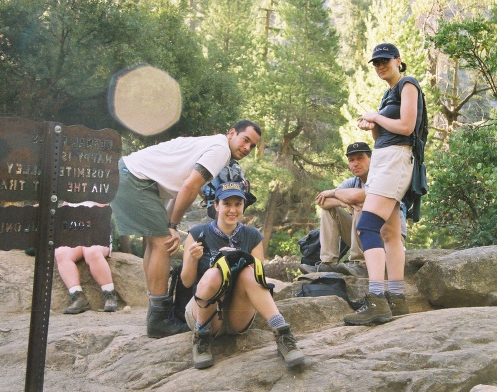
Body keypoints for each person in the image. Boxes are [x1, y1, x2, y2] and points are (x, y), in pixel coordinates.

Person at [110, 120, 261, 338]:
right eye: (245, 140)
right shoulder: (219, 150)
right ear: (231, 133)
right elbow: (191, 186)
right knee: (163, 243)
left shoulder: (214, 145)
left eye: (253, 146)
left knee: (155, 244)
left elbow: (183, 189)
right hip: (135, 179)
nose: (247, 148)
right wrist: (172, 226)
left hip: (132, 175)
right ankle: (159, 318)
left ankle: (157, 312)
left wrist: (172, 223)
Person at [181, 182, 305, 369]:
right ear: (216, 206)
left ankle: (282, 333)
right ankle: (201, 339)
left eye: (238, 204)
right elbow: (186, 281)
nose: (233, 210)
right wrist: (191, 258)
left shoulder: (252, 236)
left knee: (250, 271)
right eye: (227, 204)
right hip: (206, 314)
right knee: (214, 273)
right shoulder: (198, 233)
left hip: (237, 316)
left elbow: (258, 279)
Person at [344, 43, 423, 326]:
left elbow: (407, 128)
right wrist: (373, 125)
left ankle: (377, 299)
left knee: (367, 227)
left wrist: (377, 116)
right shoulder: (388, 93)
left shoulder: (408, 85)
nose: (380, 66)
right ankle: (397, 300)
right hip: (384, 158)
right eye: (376, 63)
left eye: (385, 61)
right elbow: (384, 138)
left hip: (396, 161)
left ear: (398, 61)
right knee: (390, 233)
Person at [300, 142, 407, 277]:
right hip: (364, 235)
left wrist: (335, 194)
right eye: (351, 160)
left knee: (362, 205)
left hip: (389, 239)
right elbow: (323, 201)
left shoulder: (382, 179)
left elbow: (357, 197)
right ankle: (328, 264)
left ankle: (359, 262)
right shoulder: (352, 182)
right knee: (330, 210)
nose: (355, 163)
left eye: (360, 158)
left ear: (372, 159)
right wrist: (344, 203)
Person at [55, 202, 117, 314]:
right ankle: (77, 297)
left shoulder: (99, 190)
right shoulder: (70, 195)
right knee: (61, 252)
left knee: (92, 252)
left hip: (97, 235)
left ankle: (109, 295)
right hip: (75, 236)